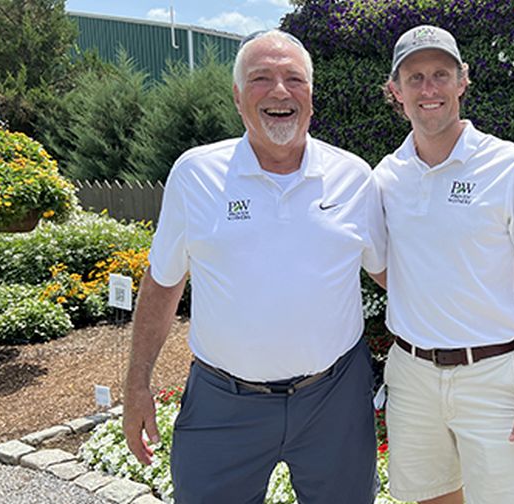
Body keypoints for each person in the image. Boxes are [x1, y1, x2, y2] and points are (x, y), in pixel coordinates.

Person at [122, 29, 386, 504]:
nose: (280, 91)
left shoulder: (355, 177)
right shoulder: (194, 174)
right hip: (224, 405)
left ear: (311, 95)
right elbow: (163, 285)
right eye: (261, 78)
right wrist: (137, 384)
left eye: (294, 79)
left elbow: (394, 278)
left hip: (334, 401)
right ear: (238, 97)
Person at [373, 25, 514, 504]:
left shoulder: (512, 165)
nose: (429, 88)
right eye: (414, 77)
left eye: (440, 74)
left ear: (462, 81)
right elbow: (383, 267)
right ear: (395, 91)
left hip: (493, 376)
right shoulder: (385, 176)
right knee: (432, 498)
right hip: (412, 374)